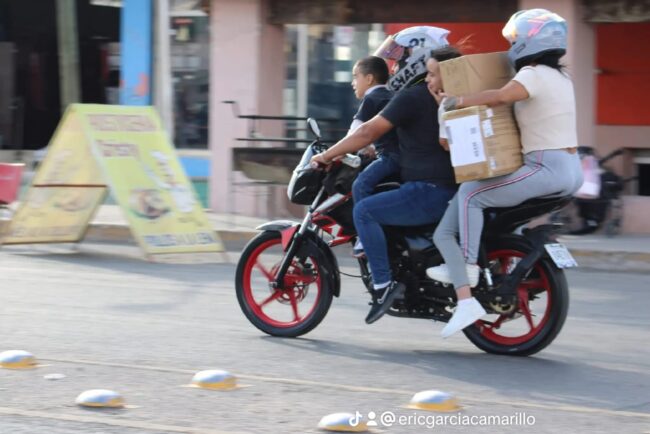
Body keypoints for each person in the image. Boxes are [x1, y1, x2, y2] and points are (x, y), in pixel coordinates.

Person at [426, 9, 585, 338]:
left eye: (514, 40)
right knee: (499, 205)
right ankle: (502, 264)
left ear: (530, 41)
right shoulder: (561, 77)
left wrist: (457, 101)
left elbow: (500, 97)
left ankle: (468, 267)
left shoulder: (533, 73)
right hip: (570, 170)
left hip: (545, 167)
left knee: (471, 194)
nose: (512, 46)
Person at [311, 26, 458, 325]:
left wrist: (326, 155)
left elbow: (366, 131)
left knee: (364, 211)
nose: (394, 68)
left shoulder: (413, 96)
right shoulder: (443, 97)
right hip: (449, 187)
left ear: (415, 59)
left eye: (399, 60)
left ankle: (383, 284)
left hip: (429, 188)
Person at [348, 56, 400, 257]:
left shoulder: (372, 98)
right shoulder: (390, 95)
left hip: (390, 156)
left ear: (369, 79)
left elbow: (355, 134)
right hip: (401, 156)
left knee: (360, 185)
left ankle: (365, 235)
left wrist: (331, 154)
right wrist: (369, 146)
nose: (353, 82)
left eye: (356, 76)